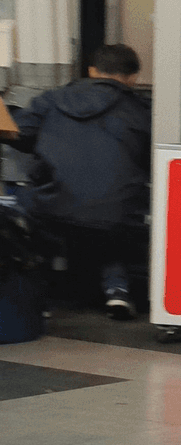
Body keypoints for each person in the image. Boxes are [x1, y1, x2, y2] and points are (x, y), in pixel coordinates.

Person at [5, 44, 151, 319]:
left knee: (22, 209)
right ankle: (117, 292)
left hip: (53, 209)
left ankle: (40, 296)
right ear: (132, 77)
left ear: (91, 71)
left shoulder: (53, 99)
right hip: (116, 218)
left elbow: (19, 134)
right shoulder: (142, 108)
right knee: (115, 215)